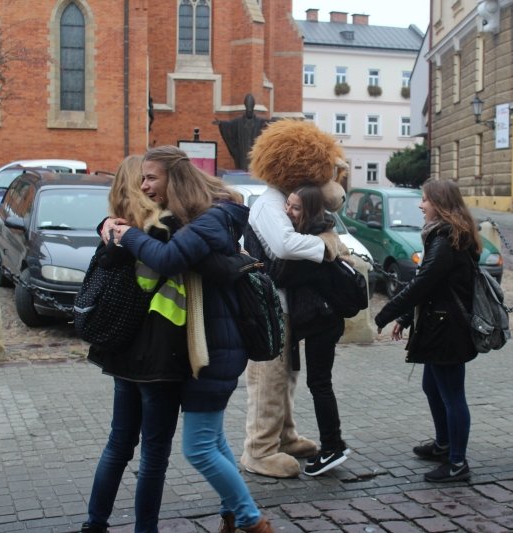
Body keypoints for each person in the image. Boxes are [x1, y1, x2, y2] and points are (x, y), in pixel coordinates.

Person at [108, 146, 274, 533]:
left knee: (197, 448)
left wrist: (127, 234)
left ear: (176, 179)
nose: (144, 185)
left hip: (215, 347)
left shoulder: (208, 222)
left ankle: (252, 521)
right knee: (213, 441)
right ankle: (233, 515)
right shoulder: (203, 218)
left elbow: (166, 259)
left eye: (151, 177)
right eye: (142, 178)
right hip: (213, 342)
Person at [81, 155, 187, 533]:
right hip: (160, 356)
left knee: (118, 443)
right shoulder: (165, 228)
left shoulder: (115, 228)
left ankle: (95, 523)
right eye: (145, 177)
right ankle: (146, 529)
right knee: (154, 455)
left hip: (122, 348)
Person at [374, 179, 480, 483]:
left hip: (449, 329)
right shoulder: (442, 235)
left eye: (425, 200)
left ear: (441, 204)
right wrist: (406, 317)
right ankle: (444, 444)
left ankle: (457, 463)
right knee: (432, 387)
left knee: (452, 395)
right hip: (438, 325)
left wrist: (386, 313)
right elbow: (429, 283)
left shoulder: (448, 239)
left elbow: (423, 283)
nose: (421, 206)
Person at [269, 186, 352, 476]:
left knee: (319, 384)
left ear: (311, 211)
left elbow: (279, 273)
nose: (287, 212)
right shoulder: (314, 235)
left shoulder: (312, 243)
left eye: (295, 208)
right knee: (320, 383)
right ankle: (335, 443)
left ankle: (332, 447)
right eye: (288, 205)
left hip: (323, 321)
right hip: (322, 319)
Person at [214, 93, 271, 170]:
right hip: (243, 152)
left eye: (251, 108)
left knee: (254, 168)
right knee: (243, 167)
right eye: (248, 108)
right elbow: (229, 125)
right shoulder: (239, 122)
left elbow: (269, 123)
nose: (249, 110)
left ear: (253, 107)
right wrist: (221, 124)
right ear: (245, 107)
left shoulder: (259, 122)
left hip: (254, 153)